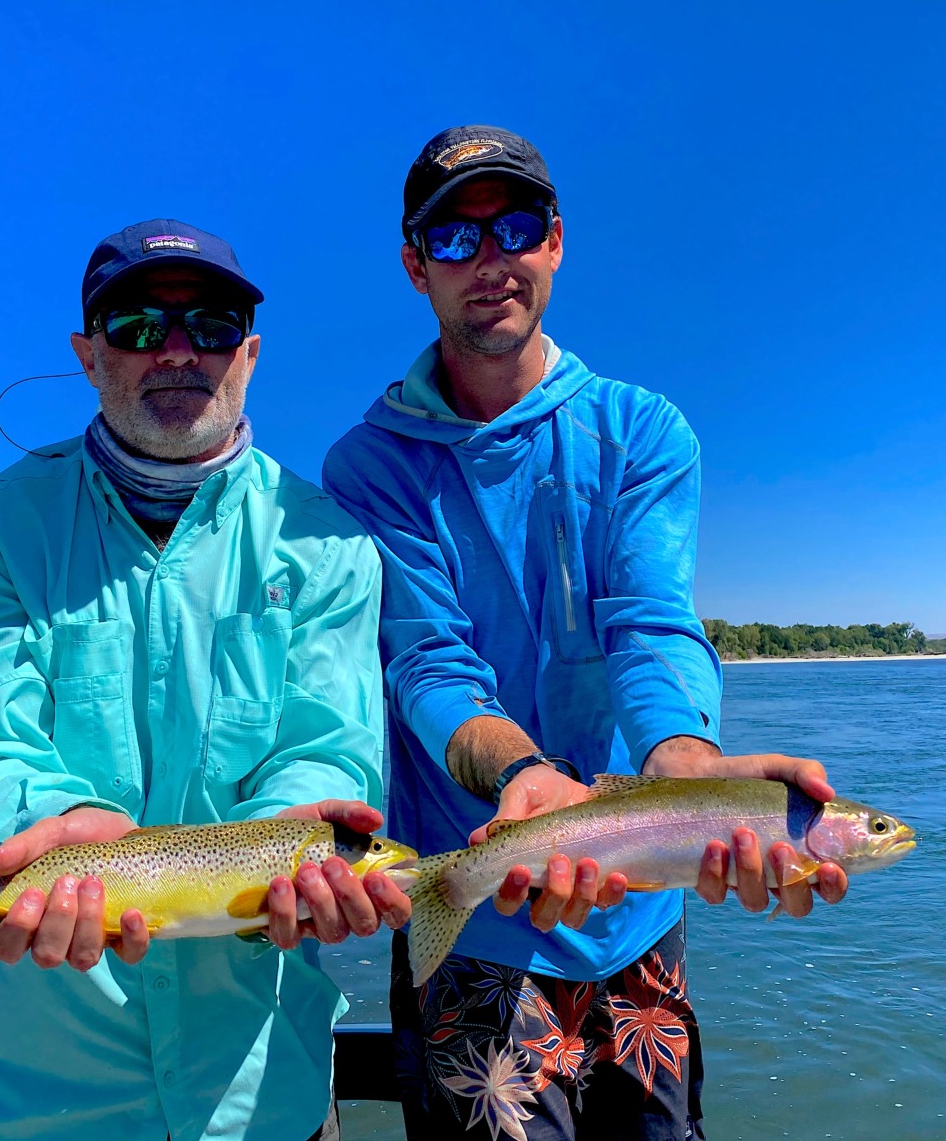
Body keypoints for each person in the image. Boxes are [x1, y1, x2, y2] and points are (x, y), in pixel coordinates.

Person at [323, 128, 850, 1140]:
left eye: (514, 227)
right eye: (453, 236)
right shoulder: (368, 466)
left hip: (640, 903)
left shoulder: (642, 429)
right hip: (474, 899)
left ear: (554, 243)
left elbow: (649, 622)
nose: (490, 260)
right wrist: (521, 776)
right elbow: (427, 661)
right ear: (413, 264)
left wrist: (685, 757)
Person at [0, 219, 409, 1141]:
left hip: (263, 1096)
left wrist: (302, 829)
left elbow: (329, 746)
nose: (177, 351)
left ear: (248, 354)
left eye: (210, 325)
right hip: (26, 1102)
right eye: (137, 326)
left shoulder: (330, 544)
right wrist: (42, 836)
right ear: (88, 355)